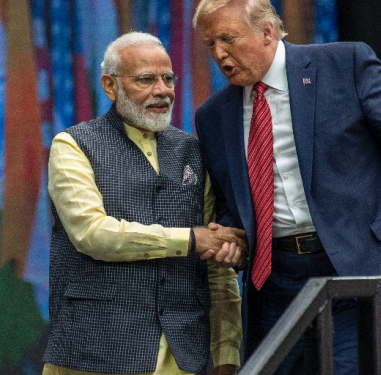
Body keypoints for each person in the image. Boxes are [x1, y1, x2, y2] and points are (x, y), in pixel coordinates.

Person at [191, 0, 381, 374]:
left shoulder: (345, 65)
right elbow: (233, 202)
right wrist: (232, 239)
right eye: (211, 44)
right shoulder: (211, 116)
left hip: (354, 266)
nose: (219, 53)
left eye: (228, 38)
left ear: (267, 31)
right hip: (274, 281)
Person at [42, 31, 246, 375]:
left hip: (183, 355)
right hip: (95, 353)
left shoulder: (192, 151)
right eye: (146, 80)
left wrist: (227, 353)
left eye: (168, 78)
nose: (163, 91)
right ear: (110, 86)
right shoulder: (73, 145)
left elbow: (217, 268)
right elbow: (92, 233)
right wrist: (193, 239)